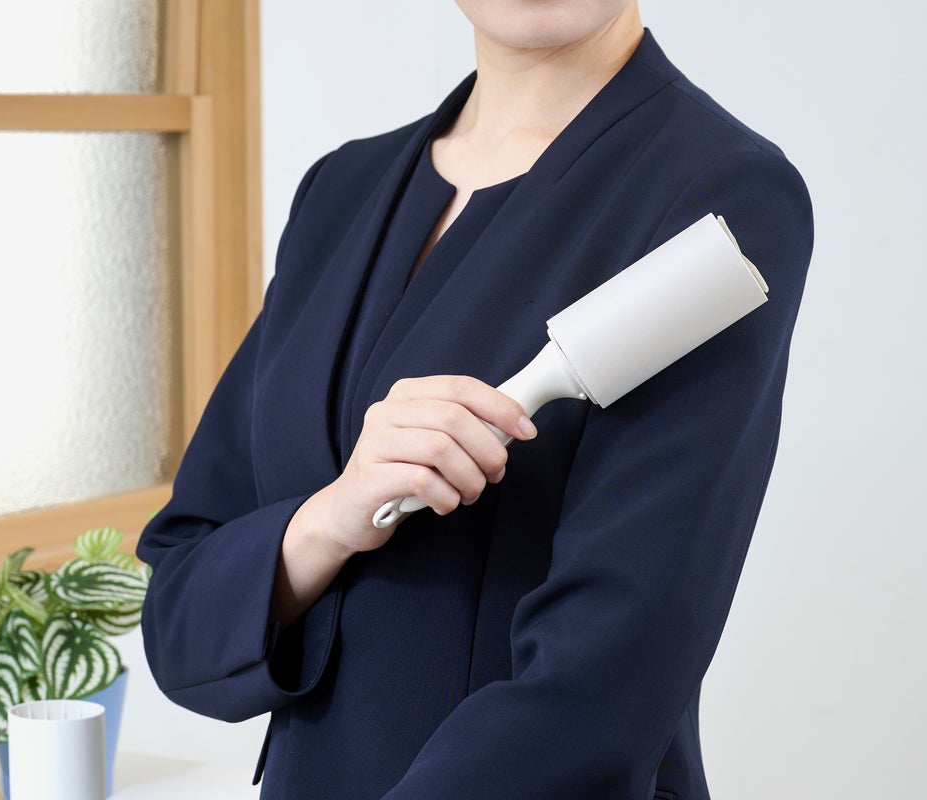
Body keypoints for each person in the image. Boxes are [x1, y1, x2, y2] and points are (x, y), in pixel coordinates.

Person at [136, 1, 813, 797]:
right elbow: (183, 620)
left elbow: (603, 687)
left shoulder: (717, 194)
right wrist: (333, 515)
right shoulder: (339, 191)